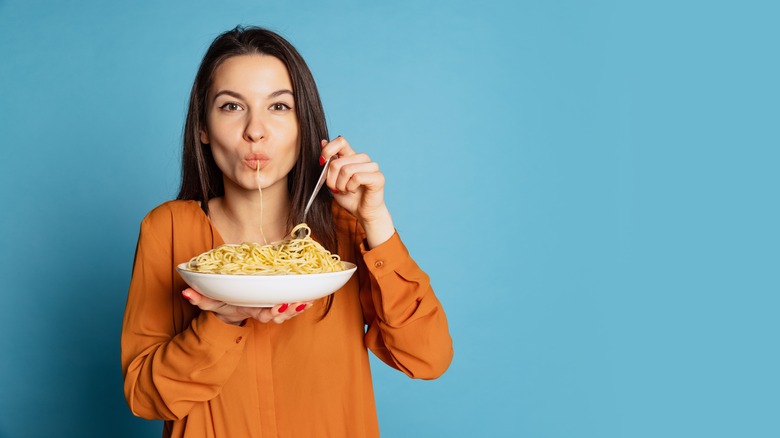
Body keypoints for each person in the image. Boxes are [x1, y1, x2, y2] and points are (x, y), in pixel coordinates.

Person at [121, 26, 453, 438]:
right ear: (202, 128)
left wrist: (377, 220)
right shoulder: (167, 228)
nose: (255, 130)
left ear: (303, 125)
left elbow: (427, 357)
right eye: (230, 107)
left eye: (278, 107)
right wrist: (222, 320)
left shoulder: (346, 232)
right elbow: (144, 398)